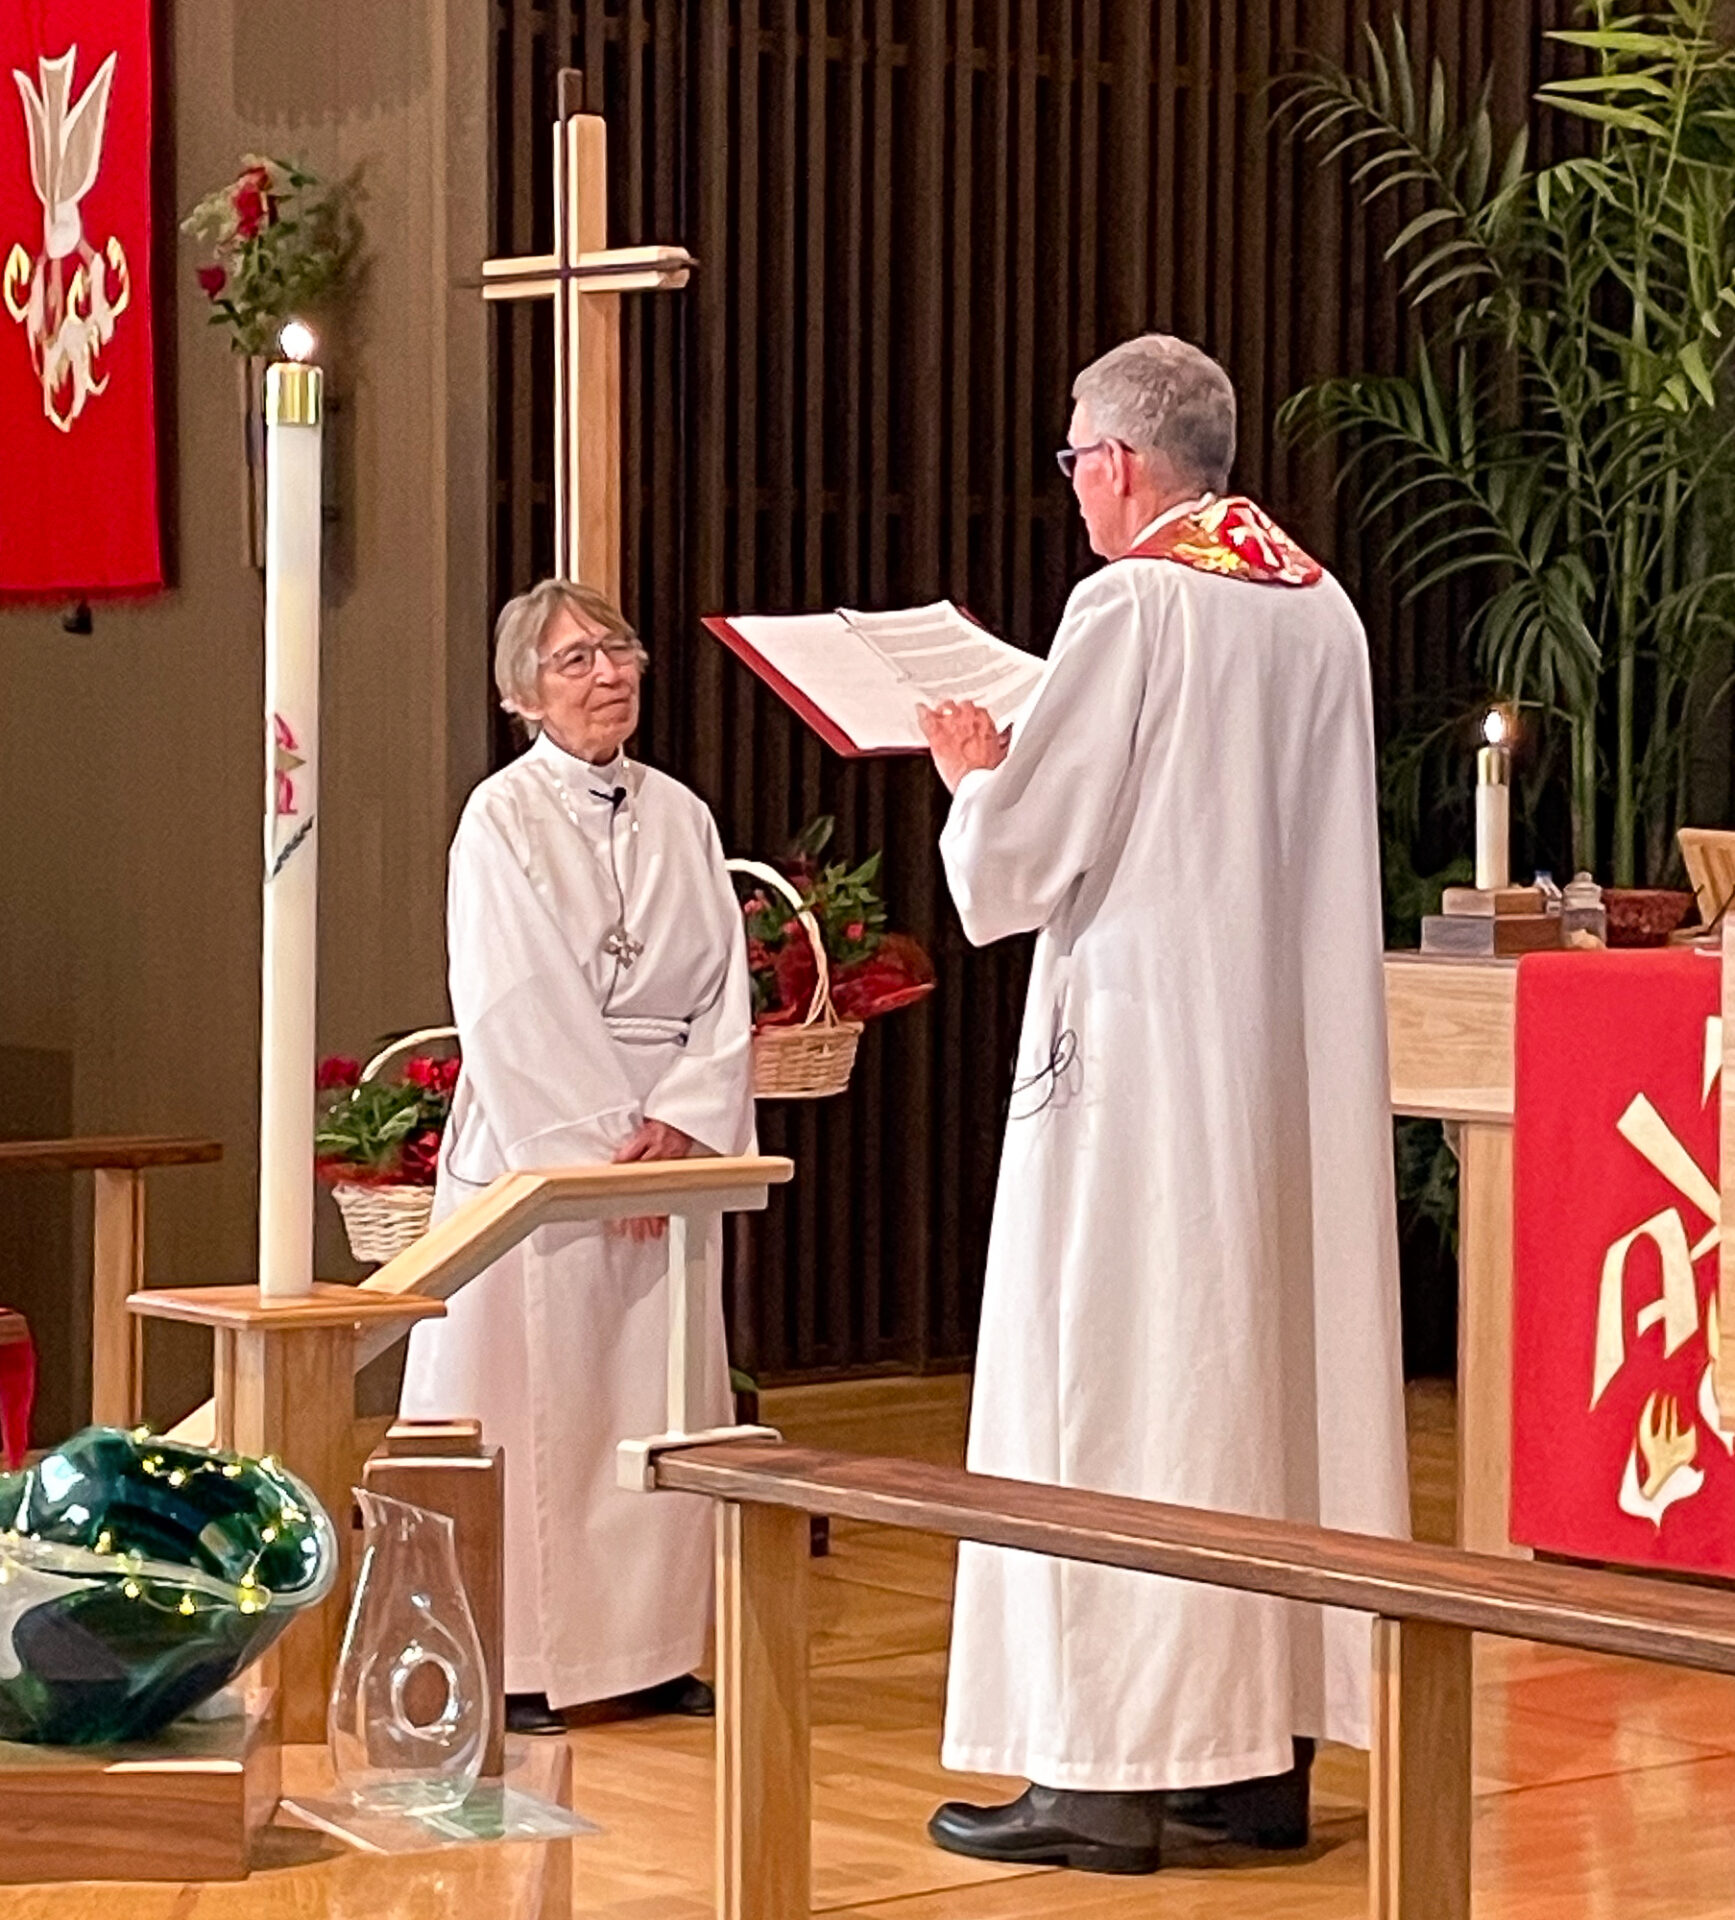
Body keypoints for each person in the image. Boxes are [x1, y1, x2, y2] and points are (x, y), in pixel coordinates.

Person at [916, 334, 1409, 1874]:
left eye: (1070, 460)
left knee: (1116, 1388)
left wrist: (971, 775)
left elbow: (1019, 869)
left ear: (1119, 465)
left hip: (1136, 1079)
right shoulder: (1313, 603)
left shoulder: (1129, 600)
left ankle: (1099, 1771)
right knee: (1260, 1388)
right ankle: (1254, 1760)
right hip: (1281, 1071)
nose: (1069, 489)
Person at [400, 579, 755, 1735]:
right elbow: (511, 996)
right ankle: (523, 1661)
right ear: (520, 695)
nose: (608, 675)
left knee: (652, 1400)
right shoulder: (500, 820)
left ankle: (648, 1651)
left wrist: (685, 1128)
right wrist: (605, 1152)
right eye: (574, 661)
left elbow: (721, 997)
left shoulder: (683, 815)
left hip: (665, 1137)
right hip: (544, 1150)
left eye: (617, 651)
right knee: (527, 1404)